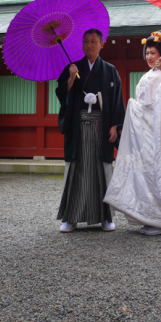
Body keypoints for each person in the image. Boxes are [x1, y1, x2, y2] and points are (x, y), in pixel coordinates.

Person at [104, 29, 161, 236]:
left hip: (156, 134)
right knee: (143, 173)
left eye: (153, 53)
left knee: (156, 171)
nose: (149, 57)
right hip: (143, 133)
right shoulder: (147, 75)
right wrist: (135, 105)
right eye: (147, 53)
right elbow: (144, 102)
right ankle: (147, 216)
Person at [56, 28, 125, 233]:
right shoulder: (73, 68)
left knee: (102, 171)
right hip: (79, 127)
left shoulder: (110, 70)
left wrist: (114, 125)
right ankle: (71, 217)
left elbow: (117, 99)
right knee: (76, 171)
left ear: (102, 43)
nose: (89, 45)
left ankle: (106, 217)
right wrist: (70, 78)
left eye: (93, 41)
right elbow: (62, 95)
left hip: (102, 127)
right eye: (86, 41)